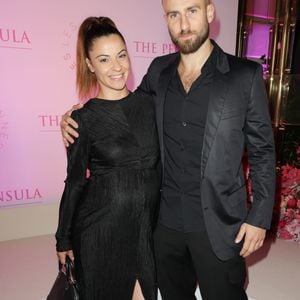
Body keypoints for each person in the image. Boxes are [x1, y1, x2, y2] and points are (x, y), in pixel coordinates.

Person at [61, 1, 276, 299]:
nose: (183, 23)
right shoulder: (158, 71)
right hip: (164, 226)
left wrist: (259, 216)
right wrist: (76, 118)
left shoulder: (244, 76)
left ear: (210, 12)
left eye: (192, 10)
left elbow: (262, 151)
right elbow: (124, 111)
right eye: (174, 14)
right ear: (166, 19)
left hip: (219, 222)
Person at [55, 16, 160, 300]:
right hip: (100, 232)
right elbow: (75, 182)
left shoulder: (151, 104)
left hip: (145, 228)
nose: (117, 67)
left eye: (121, 55)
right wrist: (62, 237)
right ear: (89, 65)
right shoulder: (82, 119)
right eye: (104, 60)